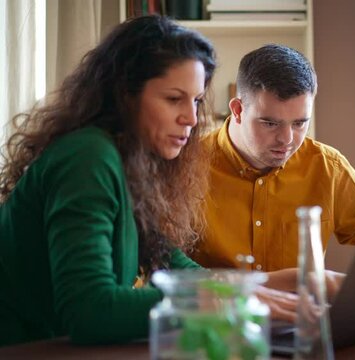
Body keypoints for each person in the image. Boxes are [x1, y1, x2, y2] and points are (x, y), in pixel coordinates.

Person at [0, 15, 219, 347]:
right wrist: (215, 302)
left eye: (196, 101)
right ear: (126, 94)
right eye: (174, 99)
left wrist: (259, 288)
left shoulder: (127, 162)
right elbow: (90, 310)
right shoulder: (88, 157)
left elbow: (172, 263)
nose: (191, 118)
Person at [191, 44, 355, 317]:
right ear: (238, 109)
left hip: (302, 326)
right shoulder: (185, 168)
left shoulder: (327, 166)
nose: (287, 140)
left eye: (300, 123)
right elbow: (159, 272)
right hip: (216, 329)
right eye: (270, 123)